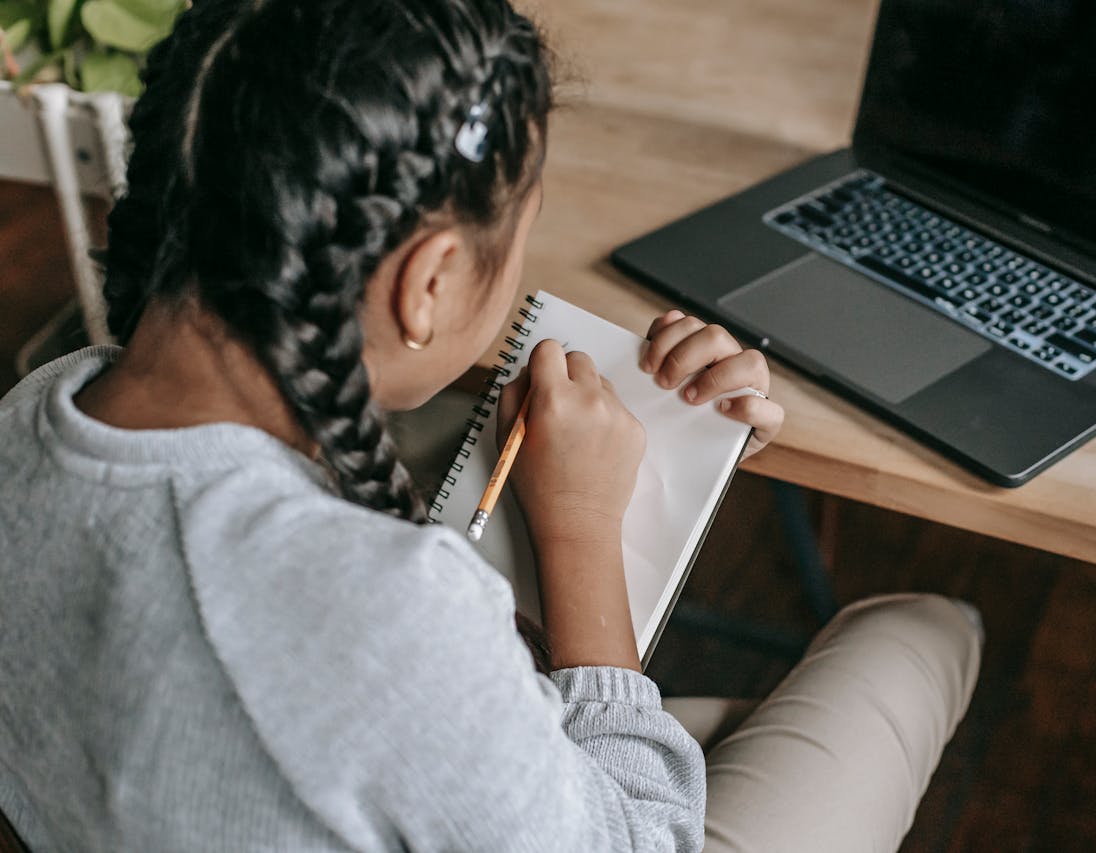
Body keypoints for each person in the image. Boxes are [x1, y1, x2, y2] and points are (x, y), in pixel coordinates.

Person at [0, 0, 981, 850]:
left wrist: (685, 437)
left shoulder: (33, 416)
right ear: (426, 283)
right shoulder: (387, 614)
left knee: (727, 725)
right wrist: (581, 530)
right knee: (921, 631)